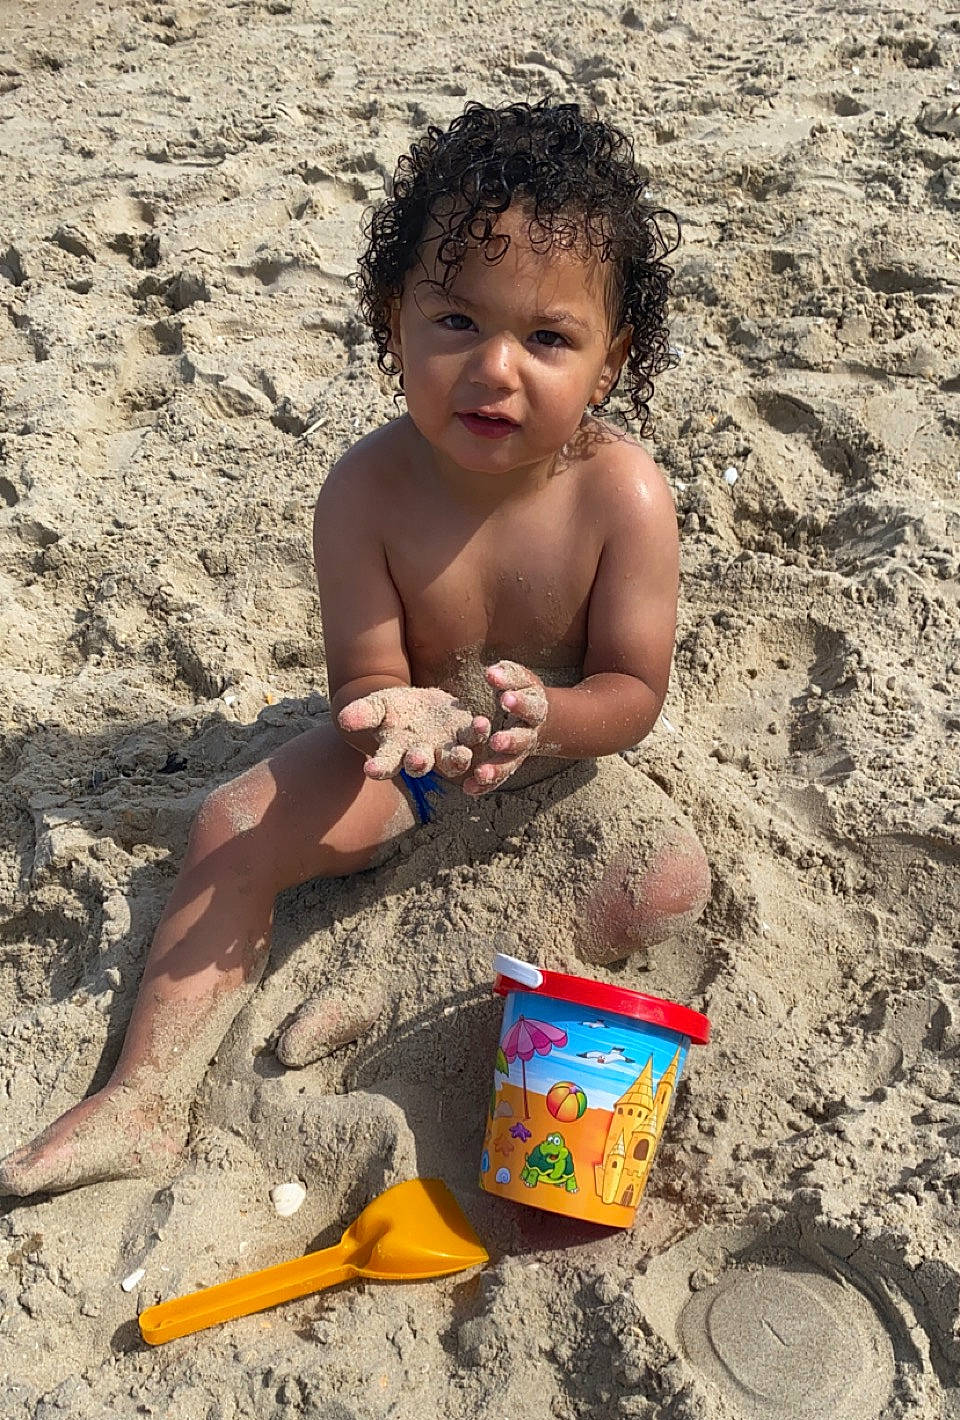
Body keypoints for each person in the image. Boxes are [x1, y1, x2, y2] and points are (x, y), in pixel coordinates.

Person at [0, 98, 711, 1202]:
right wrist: (402, 718)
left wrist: (549, 722)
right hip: (416, 771)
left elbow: (633, 690)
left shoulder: (623, 495)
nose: (497, 368)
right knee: (229, 822)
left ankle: (407, 973)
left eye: (549, 337)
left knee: (670, 879)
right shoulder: (365, 494)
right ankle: (142, 1098)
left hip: (559, 775)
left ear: (610, 363)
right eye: (457, 323)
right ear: (392, 322)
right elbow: (369, 682)